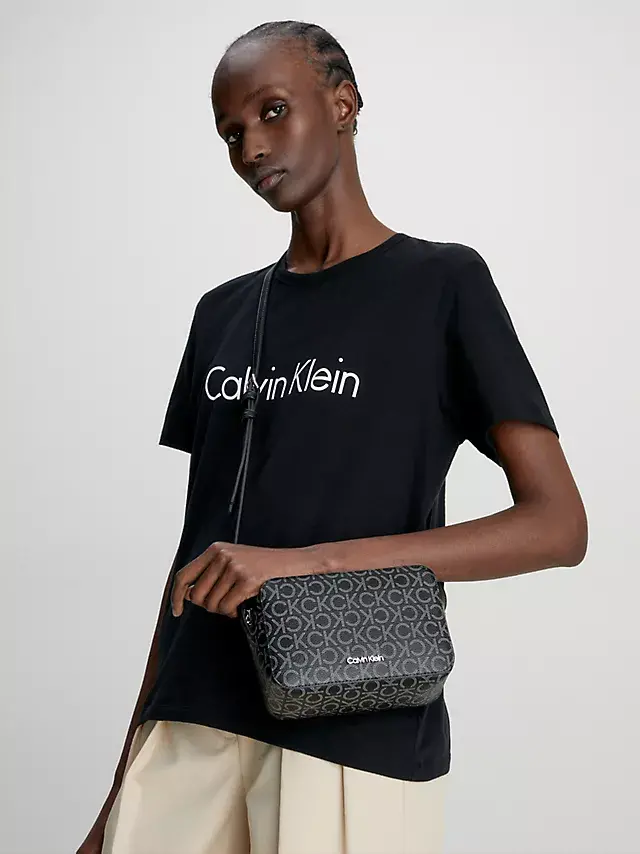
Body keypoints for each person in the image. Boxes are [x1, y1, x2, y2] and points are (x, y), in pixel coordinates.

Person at [76, 19, 588, 854]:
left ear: (344, 103)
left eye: (273, 111)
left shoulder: (442, 285)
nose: (251, 147)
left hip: (350, 724)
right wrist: (121, 782)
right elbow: (195, 553)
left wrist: (302, 564)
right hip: (191, 721)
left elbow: (559, 526)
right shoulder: (222, 314)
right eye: (231, 132)